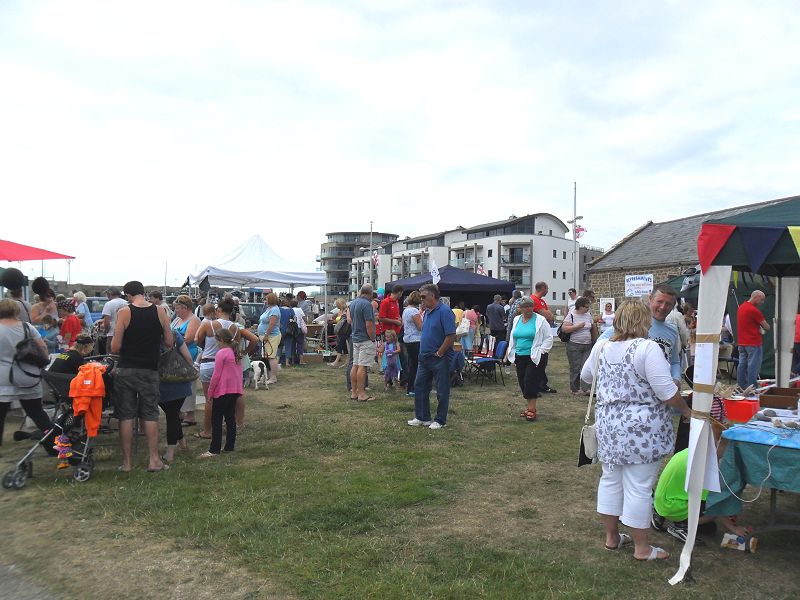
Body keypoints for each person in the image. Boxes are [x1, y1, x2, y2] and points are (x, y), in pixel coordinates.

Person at [580, 300, 690, 562]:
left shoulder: (603, 346)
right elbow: (667, 393)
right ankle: (641, 548)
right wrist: (686, 410)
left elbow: (586, 376)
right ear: (643, 321)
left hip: (609, 425)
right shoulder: (647, 348)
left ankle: (612, 537)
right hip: (642, 429)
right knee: (639, 487)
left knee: (610, 479)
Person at [111, 281, 174, 472]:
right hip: (150, 368)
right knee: (150, 414)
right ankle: (154, 460)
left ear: (128, 295)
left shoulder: (124, 312)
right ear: (143, 293)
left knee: (126, 415)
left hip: (127, 368)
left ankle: (127, 463)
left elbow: (115, 347)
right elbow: (169, 341)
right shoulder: (160, 311)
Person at [598, 285, 682, 384]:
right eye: (659, 301)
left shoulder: (672, 330)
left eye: (668, 304)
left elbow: (674, 361)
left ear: (673, 306)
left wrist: (676, 378)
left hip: (662, 387)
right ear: (650, 299)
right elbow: (600, 343)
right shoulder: (635, 322)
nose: (663, 307)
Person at [0, 299, 53, 447]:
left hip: (3, 377)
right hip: (27, 375)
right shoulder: (27, 327)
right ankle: (54, 445)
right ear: (16, 311)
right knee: (37, 412)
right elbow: (42, 348)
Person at [407, 284, 456, 430]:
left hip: (439, 357)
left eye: (423, 296)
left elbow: (450, 335)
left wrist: (440, 352)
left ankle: (440, 420)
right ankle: (422, 417)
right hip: (425, 356)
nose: (421, 299)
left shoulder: (445, 311)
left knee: (442, 390)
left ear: (433, 296)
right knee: (420, 386)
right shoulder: (427, 311)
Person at [507, 298, 553, 422]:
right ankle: (529, 407)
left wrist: (541, 350)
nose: (528, 309)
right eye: (525, 307)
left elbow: (548, 338)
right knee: (522, 381)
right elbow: (513, 336)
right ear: (520, 308)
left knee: (530, 380)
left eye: (530, 306)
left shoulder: (540, 320)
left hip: (534, 356)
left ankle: (532, 409)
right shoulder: (517, 319)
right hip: (519, 355)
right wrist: (510, 351)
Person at [200, 328, 242, 458]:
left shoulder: (221, 353)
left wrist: (210, 392)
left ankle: (214, 449)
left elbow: (216, 375)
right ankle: (229, 446)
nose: (216, 344)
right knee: (230, 418)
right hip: (234, 390)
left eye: (216, 341)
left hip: (223, 390)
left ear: (221, 340)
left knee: (216, 419)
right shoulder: (235, 352)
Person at [158, 330, 194, 462]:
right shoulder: (174, 334)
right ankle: (182, 442)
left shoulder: (148, 335)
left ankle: (170, 452)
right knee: (173, 413)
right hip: (180, 381)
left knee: (172, 414)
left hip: (160, 382)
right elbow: (188, 358)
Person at [561, 296, 595, 396]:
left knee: (586, 366)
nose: (588, 309)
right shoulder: (571, 314)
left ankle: (587, 389)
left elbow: (592, 328)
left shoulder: (588, 315)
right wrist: (576, 326)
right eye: (586, 307)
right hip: (574, 345)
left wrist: (595, 341)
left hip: (587, 345)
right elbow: (564, 329)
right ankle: (575, 389)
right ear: (580, 306)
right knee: (575, 367)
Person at [736, 290, 770, 390]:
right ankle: (752, 387)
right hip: (753, 343)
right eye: (761, 300)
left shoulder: (741, 308)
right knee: (753, 366)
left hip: (742, 342)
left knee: (742, 364)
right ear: (756, 297)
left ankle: (741, 385)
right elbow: (767, 327)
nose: (762, 302)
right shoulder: (754, 310)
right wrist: (762, 328)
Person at [349, 284, 376, 402]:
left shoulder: (353, 303)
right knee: (362, 366)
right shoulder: (367, 305)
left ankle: (354, 392)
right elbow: (369, 324)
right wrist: (373, 338)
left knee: (355, 365)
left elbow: (350, 320)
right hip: (365, 339)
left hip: (355, 338)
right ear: (369, 293)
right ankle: (362, 394)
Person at [531, 281, 557, 394]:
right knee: (539, 360)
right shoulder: (534, 300)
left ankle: (541, 383)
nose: (548, 290)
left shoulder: (541, 301)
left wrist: (548, 314)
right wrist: (547, 314)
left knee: (543, 360)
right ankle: (537, 385)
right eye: (547, 288)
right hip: (537, 335)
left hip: (543, 334)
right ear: (542, 288)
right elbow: (547, 315)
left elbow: (550, 315)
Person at [402, 291, 423, 397]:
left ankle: (410, 387)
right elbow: (420, 327)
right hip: (416, 340)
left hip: (408, 339)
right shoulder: (414, 311)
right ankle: (413, 388)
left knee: (411, 364)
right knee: (416, 365)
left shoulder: (406, 310)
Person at [258, 293, 282, 384]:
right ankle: (268, 375)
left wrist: (266, 334)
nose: (265, 300)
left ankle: (273, 377)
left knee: (271, 357)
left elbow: (272, 324)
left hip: (272, 336)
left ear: (271, 300)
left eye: (266, 299)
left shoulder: (274, 310)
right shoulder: (269, 309)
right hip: (266, 336)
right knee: (267, 357)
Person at [101, 287, 127, 355]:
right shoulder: (126, 303)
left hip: (112, 334)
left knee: (111, 356)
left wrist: (105, 332)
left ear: (109, 294)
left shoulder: (108, 304)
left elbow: (107, 322)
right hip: (125, 333)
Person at [329, 298, 349, 368]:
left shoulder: (347, 311)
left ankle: (336, 362)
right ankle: (347, 361)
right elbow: (339, 321)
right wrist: (333, 320)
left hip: (344, 330)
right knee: (344, 347)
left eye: (337, 304)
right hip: (339, 330)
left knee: (340, 345)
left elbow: (346, 321)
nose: (336, 306)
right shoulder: (339, 311)